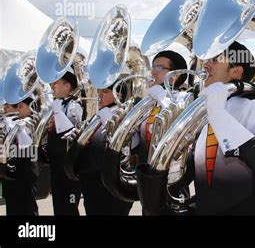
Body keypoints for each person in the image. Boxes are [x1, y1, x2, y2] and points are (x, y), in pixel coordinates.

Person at [171, 41, 255, 215]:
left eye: (215, 59)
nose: (206, 65)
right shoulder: (206, 109)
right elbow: (197, 163)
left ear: (236, 71)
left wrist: (219, 115)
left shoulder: (254, 103)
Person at [73, 80, 134, 215]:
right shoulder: (96, 116)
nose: (99, 95)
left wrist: (109, 121)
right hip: (91, 181)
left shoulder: (125, 115)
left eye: (105, 91)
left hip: (111, 183)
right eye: (99, 91)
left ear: (118, 95)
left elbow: (129, 144)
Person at [135, 50, 188, 163]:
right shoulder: (150, 100)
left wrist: (161, 97)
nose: (153, 73)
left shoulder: (183, 98)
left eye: (159, 68)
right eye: (153, 67)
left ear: (175, 75)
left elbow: (177, 133)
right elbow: (137, 143)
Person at [47, 68, 83, 215]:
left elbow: (70, 131)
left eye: (56, 84)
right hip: (55, 161)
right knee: (58, 204)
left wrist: (58, 113)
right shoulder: (57, 105)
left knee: (69, 206)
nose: (52, 87)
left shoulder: (75, 105)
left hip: (68, 162)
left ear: (67, 86)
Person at [1, 97, 39, 215]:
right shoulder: (10, 123)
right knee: (12, 207)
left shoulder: (31, 121)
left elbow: (27, 144)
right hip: (10, 171)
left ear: (30, 108)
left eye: (21, 106)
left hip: (26, 172)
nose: (4, 109)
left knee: (27, 207)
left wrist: (12, 125)